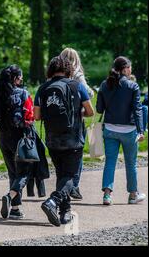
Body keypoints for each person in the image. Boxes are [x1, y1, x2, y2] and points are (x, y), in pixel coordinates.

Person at [34, 56, 94, 226]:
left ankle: (64, 212)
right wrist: (76, 112)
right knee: (70, 176)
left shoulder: (43, 88)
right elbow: (90, 112)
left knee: (62, 174)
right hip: (73, 139)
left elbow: (37, 116)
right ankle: (52, 201)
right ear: (68, 69)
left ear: (51, 70)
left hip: (52, 139)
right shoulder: (77, 86)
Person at [0, 65, 49, 219]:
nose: (22, 79)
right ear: (16, 79)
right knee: (25, 171)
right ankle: (10, 196)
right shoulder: (23, 94)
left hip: (3, 137)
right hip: (21, 138)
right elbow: (29, 117)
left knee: (13, 172)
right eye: (20, 77)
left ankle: (16, 209)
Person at [96, 56, 146, 206]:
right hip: (129, 131)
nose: (131, 70)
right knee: (131, 163)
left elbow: (99, 109)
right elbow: (137, 110)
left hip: (110, 129)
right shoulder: (132, 86)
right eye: (130, 67)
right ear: (125, 69)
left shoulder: (105, 85)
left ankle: (107, 196)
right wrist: (141, 130)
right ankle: (132, 195)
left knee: (110, 162)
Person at [59, 48, 95, 200]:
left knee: (61, 153)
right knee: (77, 153)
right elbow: (89, 93)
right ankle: (74, 184)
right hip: (77, 118)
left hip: (59, 119)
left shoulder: (55, 75)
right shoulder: (78, 76)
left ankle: (63, 184)